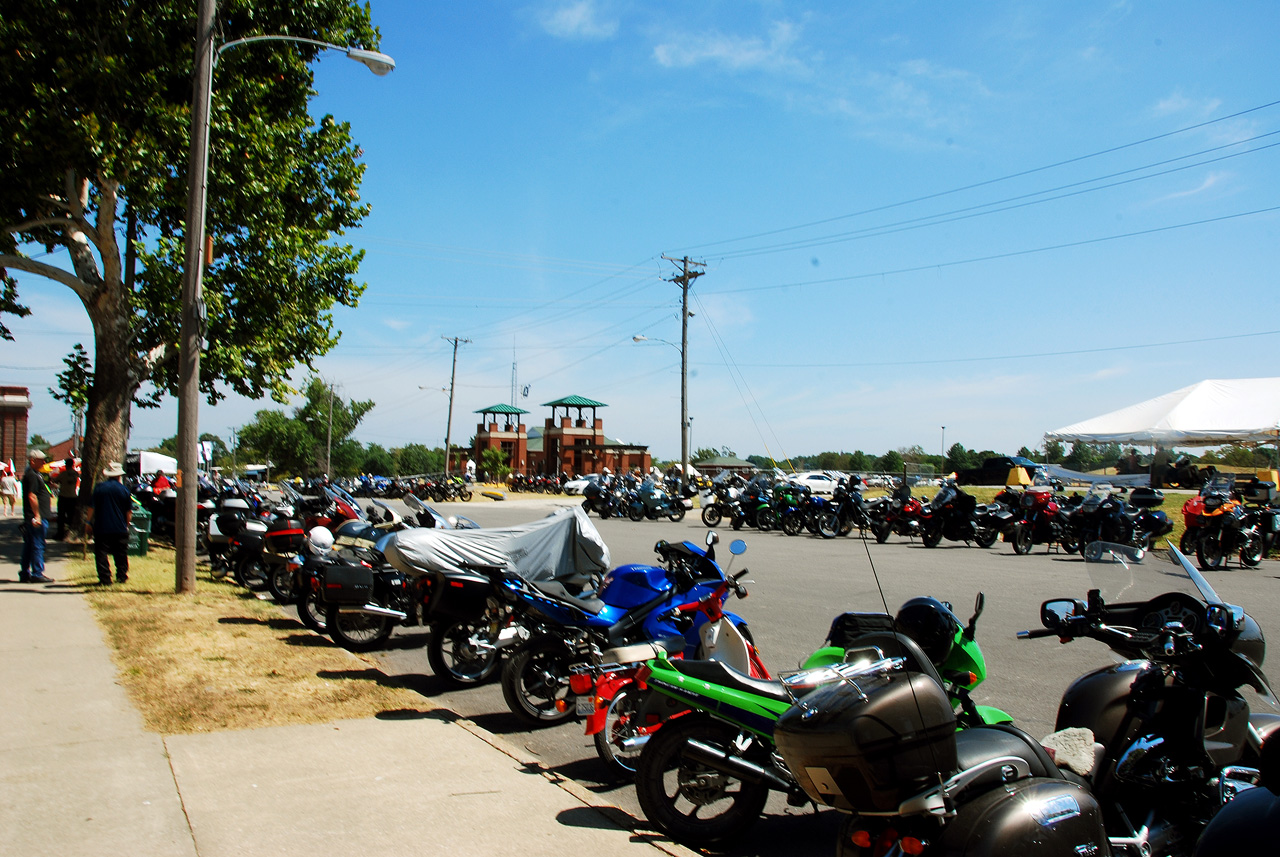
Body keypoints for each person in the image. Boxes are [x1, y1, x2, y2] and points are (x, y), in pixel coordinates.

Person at [86, 462, 133, 585]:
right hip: (119, 527)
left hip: (102, 526)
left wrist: (88, 521)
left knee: (101, 553)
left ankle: (105, 578)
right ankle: (122, 575)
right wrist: (126, 525)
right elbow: (129, 511)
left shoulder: (99, 488)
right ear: (119, 476)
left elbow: (91, 507)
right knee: (121, 553)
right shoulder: (124, 490)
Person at [20, 449, 54, 584]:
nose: (44, 462)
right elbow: (32, 496)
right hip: (36, 518)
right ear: (32, 461)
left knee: (29, 545)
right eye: (41, 460)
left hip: (34, 517)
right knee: (38, 545)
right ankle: (37, 573)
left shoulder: (34, 474)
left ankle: (25, 572)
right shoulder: (32, 476)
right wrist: (37, 515)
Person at [55, 456, 79, 540]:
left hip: (63, 497)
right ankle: (70, 532)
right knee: (71, 517)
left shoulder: (63, 474)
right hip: (73, 497)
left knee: (61, 517)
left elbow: (55, 480)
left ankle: (60, 534)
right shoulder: (76, 474)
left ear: (66, 465)